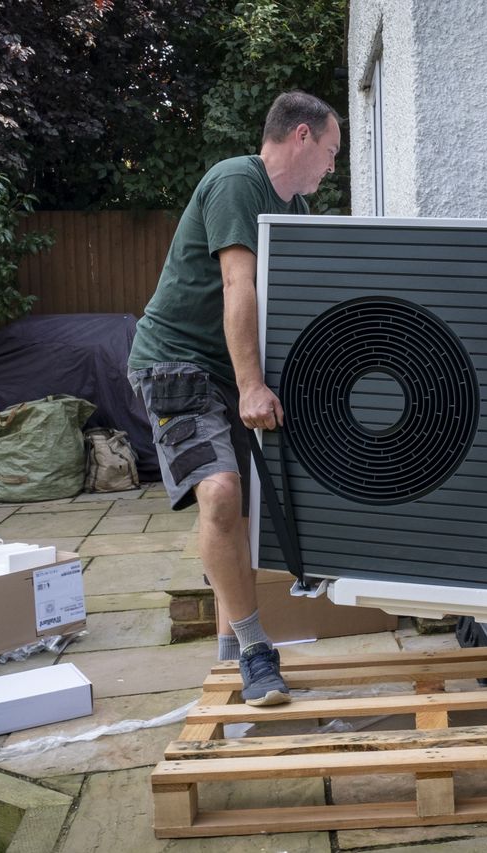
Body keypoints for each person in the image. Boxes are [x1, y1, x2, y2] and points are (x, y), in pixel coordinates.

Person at [128, 92, 341, 706]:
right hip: (176, 365)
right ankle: (254, 649)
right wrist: (251, 385)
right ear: (300, 136)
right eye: (329, 153)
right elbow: (236, 282)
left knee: (246, 520)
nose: (331, 167)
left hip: (231, 370)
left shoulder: (294, 207)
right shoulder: (235, 183)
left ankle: (231, 668)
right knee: (220, 495)